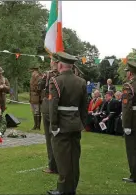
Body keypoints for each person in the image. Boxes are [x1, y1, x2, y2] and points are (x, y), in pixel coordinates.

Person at [47, 52, 87, 195]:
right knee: (74, 158)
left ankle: (64, 189)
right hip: (75, 123)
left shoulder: (56, 81)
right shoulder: (81, 82)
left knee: (63, 159)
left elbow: (53, 106)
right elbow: (84, 106)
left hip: (62, 125)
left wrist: (54, 125)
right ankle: (72, 188)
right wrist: (82, 122)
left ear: (60, 65)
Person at [38, 59, 59, 175]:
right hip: (57, 108)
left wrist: (45, 77)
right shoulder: (62, 76)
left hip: (48, 107)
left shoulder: (50, 75)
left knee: (50, 139)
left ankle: (53, 166)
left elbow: (39, 87)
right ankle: (57, 165)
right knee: (57, 139)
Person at [29, 65, 42, 130]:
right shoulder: (32, 78)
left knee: (38, 112)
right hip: (32, 97)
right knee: (34, 111)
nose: (32, 73)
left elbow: (39, 88)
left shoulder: (39, 78)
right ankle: (35, 125)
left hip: (37, 97)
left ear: (36, 71)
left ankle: (38, 126)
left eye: (33, 71)